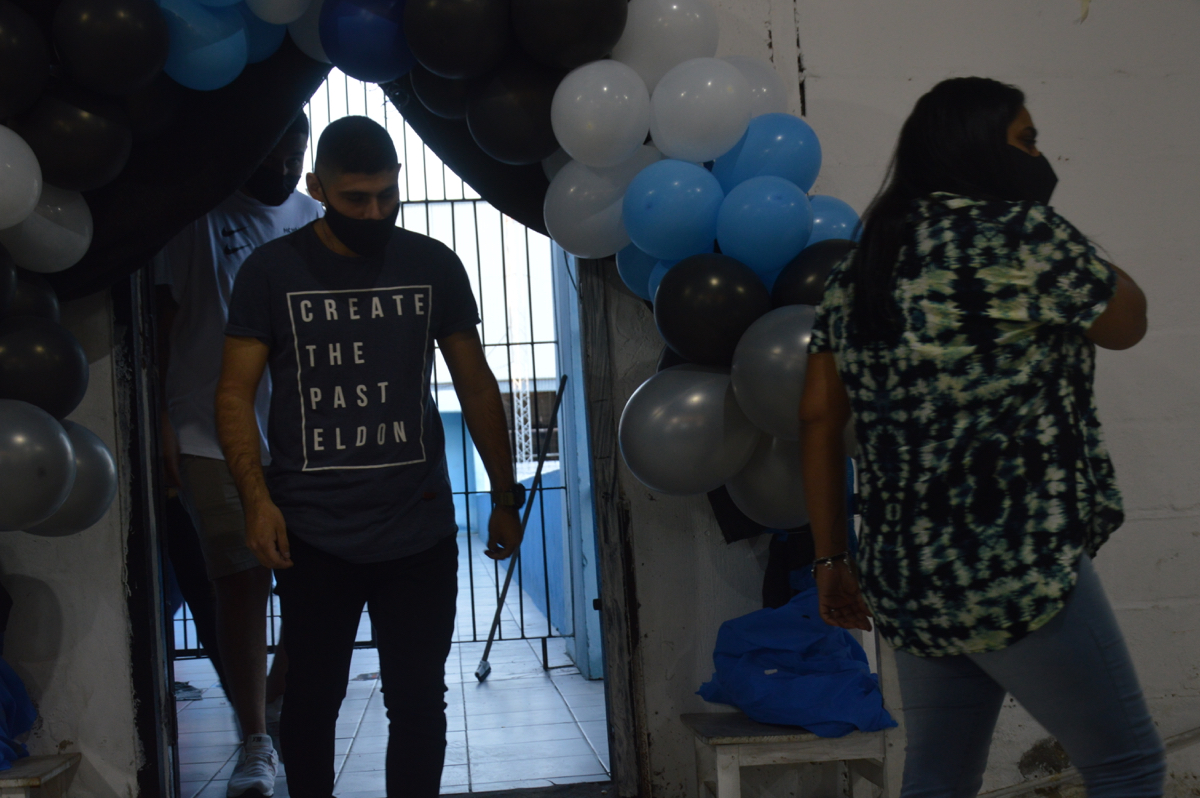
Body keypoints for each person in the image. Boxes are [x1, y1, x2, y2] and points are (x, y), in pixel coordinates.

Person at [799, 77, 1164, 798]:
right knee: (1128, 768)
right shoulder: (1024, 237)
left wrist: (831, 558)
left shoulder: (861, 268)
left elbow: (816, 418)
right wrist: (1042, 222)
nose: (1039, 156)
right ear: (979, 151)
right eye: (1026, 141)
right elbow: (1128, 322)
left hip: (907, 572)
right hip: (1015, 567)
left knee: (939, 777)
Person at [215, 115, 524, 798]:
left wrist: (505, 496)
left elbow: (476, 384)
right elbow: (234, 393)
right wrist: (257, 501)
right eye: (356, 199)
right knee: (310, 701)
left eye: (387, 195)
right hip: (311, 531)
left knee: (418, 703)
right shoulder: (271, 271)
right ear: (316, 187)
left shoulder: (432, 264)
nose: (374, 212)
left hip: (417, 528)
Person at [156, 113, 322, 797]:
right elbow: (163, 322)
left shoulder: (314, 218)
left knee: (320, 585)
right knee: (239, 583)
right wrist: (160, 422)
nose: (282, 167)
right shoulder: (198, 218)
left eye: (294, 155)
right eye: (271, 153)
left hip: (304, 439)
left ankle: (275, 704)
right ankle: (255, 738)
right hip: (210, 433)